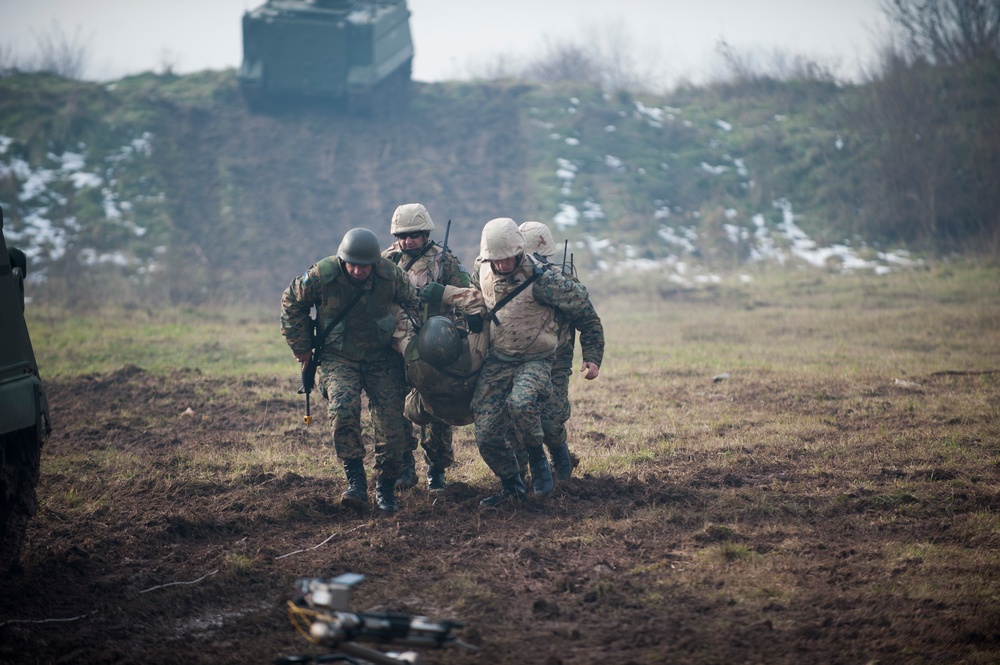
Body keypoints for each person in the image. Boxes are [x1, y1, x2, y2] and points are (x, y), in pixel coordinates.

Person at [440, 218, 604, 506]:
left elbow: (586, 313)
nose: (502, 265)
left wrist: (592, 356)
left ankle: (539, 460)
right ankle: (512, 486)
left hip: (537, 359)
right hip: (498, 360)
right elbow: (478, 299)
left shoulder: (545, 280)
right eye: (496, 260)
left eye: (508, 259)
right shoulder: (482, 270)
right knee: (487, 430)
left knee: (522, 403)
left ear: (519, 252)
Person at [280, 227, 418, 515]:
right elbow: (292, 301)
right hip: (338, 356)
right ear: (342, 260)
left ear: (374, 264)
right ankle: (355, 481)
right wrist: (302, 347)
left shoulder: (391, 275)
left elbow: (415, 303)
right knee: (343, 410)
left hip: (382, 357)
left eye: (364, 266)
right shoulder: (323, 274)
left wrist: (405, 338)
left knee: (393, 423)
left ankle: (386, 487)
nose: (357, 271)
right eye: (352, 265)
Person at [381, 203, 472, 492]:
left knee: (435, 412)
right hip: (394, 347)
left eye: (415, 235)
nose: (408, 241)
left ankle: (437, 469)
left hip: (434, 350)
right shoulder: (385, 261)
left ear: (426, 233)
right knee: (394, 410)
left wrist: (456, 329)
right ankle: (404, 465)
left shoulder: (445, 262)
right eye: (403, 235)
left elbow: (467, 297)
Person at [518, 220, 595, 480]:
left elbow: (588, 319)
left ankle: (562, 462)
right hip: (518, 359)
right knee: (518, 416)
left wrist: (592, 357)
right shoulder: (504, 277)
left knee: (550, 421)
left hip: (555, 360)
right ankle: (522, 476)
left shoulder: (559, 282)